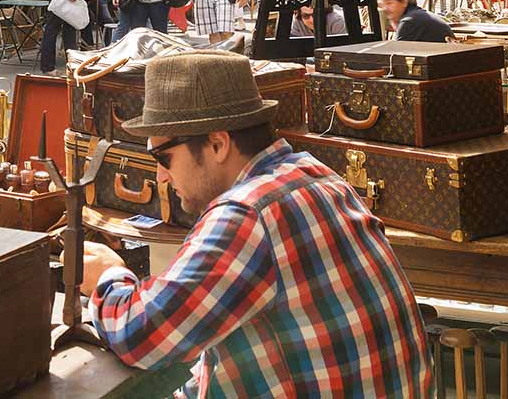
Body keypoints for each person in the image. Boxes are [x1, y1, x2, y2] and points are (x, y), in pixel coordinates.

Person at [77, 51, 430, 397]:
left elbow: (141, 336)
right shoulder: (319, 176)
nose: (161, 176)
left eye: (162, 157)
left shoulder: (247, 214)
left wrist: (107, 275)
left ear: (217, 143)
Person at [379, 0, 453, 42]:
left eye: (389, 3)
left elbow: (397, 56)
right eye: (383, 4)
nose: (385, 8)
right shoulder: (416, 15)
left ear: (404, 2)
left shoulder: (410, 21)